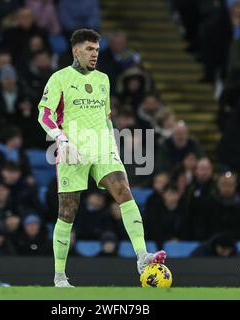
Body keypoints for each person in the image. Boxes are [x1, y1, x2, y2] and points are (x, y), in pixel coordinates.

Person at [37, 29, 166, 287]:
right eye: (88, 49)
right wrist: (62, 141)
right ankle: (60, 276)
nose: (94, 54)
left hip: (102, 148)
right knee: (67, 212)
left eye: (96, 49)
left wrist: (113, 145)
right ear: (76, 50)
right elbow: (44, 115)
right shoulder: (59, 78)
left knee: (124, 191)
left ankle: (142, 256)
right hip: (72, 149)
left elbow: (106, 117)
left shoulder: (104, 79)